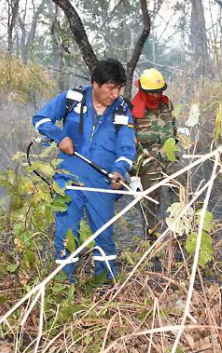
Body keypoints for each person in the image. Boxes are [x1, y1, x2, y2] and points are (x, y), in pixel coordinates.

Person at [32, 58, 136, 283]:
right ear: (95, 84)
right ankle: (63, 288)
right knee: (66, 235)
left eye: (119, 88)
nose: (116, 93)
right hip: (67, 181)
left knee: (104, 237)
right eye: (111, 87)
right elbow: (40, 119)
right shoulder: (72, 99)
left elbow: (127, 146)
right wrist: (60, 137)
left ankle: (105, 288)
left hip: (101, 184)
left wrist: (120, 170)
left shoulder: (122, 110)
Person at [131, 68, 178, 242]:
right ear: (143, 91)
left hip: (170, 158)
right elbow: (128, 142)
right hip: (147, 162)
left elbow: (173, 129)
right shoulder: (133, 110)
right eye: (153, 93)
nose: (157, 96)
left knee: (179, 192)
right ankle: (152, 238)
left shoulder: (166, 105)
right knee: (150, 200)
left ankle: (179, 234)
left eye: (159, 92)